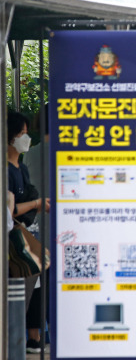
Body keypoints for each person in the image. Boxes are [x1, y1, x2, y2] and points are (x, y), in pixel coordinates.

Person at [7, 111, 50, 353]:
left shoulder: (20, 167)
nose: (26, 138)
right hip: (12, 238)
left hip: (24, 234)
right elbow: (9, 208)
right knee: (20, 285)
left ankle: (32, 337)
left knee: (34, 281)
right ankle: (16, 340)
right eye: (22, 134)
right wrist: (34, 204)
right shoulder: (6, 169)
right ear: (9, 137)